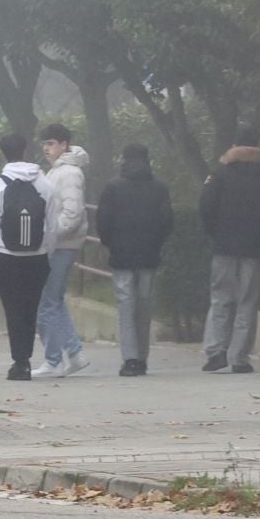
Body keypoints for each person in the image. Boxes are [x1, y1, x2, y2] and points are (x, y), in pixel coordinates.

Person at [93, 142, 173, 377]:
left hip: (122, 255)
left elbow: (103, 222)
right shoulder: (159, 188)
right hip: (149, 254)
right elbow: (167, 221)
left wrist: (111, 244)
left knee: (125, 306)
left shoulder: (113, 187)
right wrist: (156, 243)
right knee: (144, 306)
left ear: (124, 159)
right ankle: (143, 356)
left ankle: (130, 359)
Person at [198, 123, 260, 373]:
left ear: (235, 145)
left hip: (224, 246)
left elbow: (206, 207)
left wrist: (214, 234)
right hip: (253, 249)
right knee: (247, 301)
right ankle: (240, 357)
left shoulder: (220, 173)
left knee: (221, 299)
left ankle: (216, 351)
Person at [0, 133, 54, 382]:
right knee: (30, 308)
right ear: (25, 150)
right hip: (38, 257)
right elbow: (52, 224)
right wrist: (46, 251)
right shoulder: (43, 182)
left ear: (3, 152)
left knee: (12, 309)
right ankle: (26, 357)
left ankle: (19, 362)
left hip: (6, 256)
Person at [32, 123, 91, 378]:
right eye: (44, 144)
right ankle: (74, 353)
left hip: (62, 244)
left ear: (64, 144)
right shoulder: (59, 171)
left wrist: (52, 236)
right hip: (60, 243)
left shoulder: (68, 174)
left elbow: (72, 212)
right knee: (53, 301)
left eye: (51, 143)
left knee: (47, 303)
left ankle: (53, 360)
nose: (46, 148)